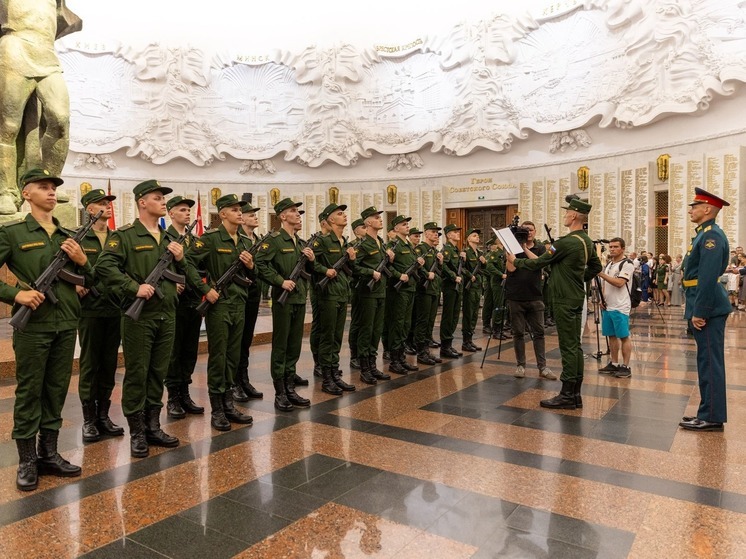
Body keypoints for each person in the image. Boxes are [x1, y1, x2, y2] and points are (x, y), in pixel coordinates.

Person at [0, 168, 91, 491]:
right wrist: (16, 294)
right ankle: (27, 460)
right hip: (34, 326)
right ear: (26, 193)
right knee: (29, 393)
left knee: (55, 390)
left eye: (54, 188)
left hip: (66, 323)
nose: (52, 192)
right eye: (44, 187)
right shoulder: (12, 233)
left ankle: (49, 453)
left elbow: (92, 279)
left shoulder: (68, 236)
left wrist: (82, 260)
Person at [96, 179, 183, 458]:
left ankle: (153, 426)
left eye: (163, 198)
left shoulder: (169, 238)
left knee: (158, 372)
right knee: (137, 373)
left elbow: (187, 270)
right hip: (139, 316)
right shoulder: (123, 236)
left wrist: (181, 258)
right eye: (157, 197)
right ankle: (137, 432)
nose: (163, 202)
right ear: (142, 202)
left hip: (167, 314)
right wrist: (134, 288)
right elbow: (104, 267)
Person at [508, 197, 602, 409]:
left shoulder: (566, 242)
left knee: (568, 347)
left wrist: (516, 261)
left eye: (567, 212)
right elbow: (595, 267)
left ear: (574, 215)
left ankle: (567, 395)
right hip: (576, 296)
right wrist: (577, 278)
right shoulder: (586, 241)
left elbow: (540, 263)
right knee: (575, 346)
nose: (565, 215)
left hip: (564, 299)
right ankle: (575, 394)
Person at [0, 1, 82, 214]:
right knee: (8, 125)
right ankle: (6, 192)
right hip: (14, 47)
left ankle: (47, 182)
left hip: (47, 53)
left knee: (60, 118)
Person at [186, 194, 254, 430]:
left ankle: (228, 404)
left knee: (233, 356)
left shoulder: (245, 242)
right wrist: (206, 289)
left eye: (240, 210)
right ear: (222, 214)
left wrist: (251, 267)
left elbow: (253, 277)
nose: (239, 213)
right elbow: (187, 263)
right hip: (220, 305)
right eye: (234, 209)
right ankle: (217, 410)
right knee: (219, 357)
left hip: (239, 303)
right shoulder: (211, 239)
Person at [679, 189, 732, 431]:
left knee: (710, 362)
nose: (691, 210)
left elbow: (708, 277)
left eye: (695, 206)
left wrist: (700, 311)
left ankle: (712, 416)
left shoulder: (712, 237)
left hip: (708, 307)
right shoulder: (703, 235)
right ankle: (706, 410)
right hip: (701, 303)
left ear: (707, 209)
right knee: (705, 361)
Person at [254, 198, 315, 411]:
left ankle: (290, 388)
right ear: (282, 216)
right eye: (292, 211)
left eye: (298, 211)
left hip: (298, 298)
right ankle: (280, 392)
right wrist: (280, 281)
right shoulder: (274, 240)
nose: (298, 214)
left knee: (294, 345)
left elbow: (309, 272)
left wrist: (311, 258)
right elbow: (260, 264)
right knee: (281, 346)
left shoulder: (300, 242)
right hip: (283, 300)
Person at [77, 187, 124, 443]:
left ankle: (103, 415)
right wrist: (76, 285)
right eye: (100, 203)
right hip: (90, 309)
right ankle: (88, 419)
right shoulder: (80, 237)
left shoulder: (118, 238)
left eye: (108, 202)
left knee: (109, 363)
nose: (107, 205)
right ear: (89, 209)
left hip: (114, 307)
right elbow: (66, 267)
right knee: (89, 363)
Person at [163, 196, 204, 419]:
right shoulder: (165, 238)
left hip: (193, 301)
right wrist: (172, 283)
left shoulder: (195, 241)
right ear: (171, 213)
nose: (187, 213)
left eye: (189, 210)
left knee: (190, 350)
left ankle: (185, 392)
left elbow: (200, 269)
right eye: (182, 210)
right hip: (174, 303)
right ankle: (173, 397)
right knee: (174, 351)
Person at [311, 203, 357, 394]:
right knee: (327, 336)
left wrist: (352, 260)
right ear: (330, 219)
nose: (344, 216)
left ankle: (335, 374)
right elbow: (310, 265)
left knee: (337, 336)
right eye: (340, 214)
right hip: (327, 294)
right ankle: (327, 378)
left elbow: (350, 272)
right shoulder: (321, 241)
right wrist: (325, 270)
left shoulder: (345, 243)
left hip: (341, 292)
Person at [505, 221, 555, 380]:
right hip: (516, 296)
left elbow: (538, 264)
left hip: (535, 296)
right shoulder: (512, 248)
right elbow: (511, 268)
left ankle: (543, 366)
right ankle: (520, 365)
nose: (528, 233)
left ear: (535, 231)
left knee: (539, 332)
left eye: (531, 230)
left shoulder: (540, 248)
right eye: (524, 230)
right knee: (518, 333)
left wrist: (525, 248)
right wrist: (514, 248)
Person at [352, 207, 394, 384]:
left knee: (376, 330)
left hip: (380, 292)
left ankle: (372, 365)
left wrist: (390, 260)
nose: (380, 220)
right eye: (376, 218)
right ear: (368, 223)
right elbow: (354, 267)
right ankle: (364, 368)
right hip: (367, 293)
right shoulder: (362, 245)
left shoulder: (381, 244)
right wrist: (370, 272)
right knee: (366, 330)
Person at [234, 202, 264, 400]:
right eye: (250, 215)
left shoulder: (260, 240)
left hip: (254, 293)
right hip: (239, 293)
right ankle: (234, 381)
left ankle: (244, 378)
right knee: (237, 340)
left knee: (247, 339)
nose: (255, 217)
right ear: (242, 219)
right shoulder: (238, 239)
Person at [386, 215, 423, 374]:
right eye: (403, 224)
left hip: (410, 288)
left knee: (406, 324)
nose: (407, 226)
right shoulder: (393, 245)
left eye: (407, 224)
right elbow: (386, 267)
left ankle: (401, 358)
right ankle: (394, 360)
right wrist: (398, 275)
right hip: (399, 290)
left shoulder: (408, 244)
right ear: (395, 229)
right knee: (398, 323)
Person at [596, 238, 635, 378]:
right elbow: (605, 285)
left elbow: (619, 282)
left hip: (620, 306)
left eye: (615, 247)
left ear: (622, 248)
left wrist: (602, 274)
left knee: (623, 336)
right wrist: (602, 299)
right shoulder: (609, 264)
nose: (612, 249)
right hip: (608, 305)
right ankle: (614, 363)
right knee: (611, 336)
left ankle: (626, 366)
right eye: (610, 247)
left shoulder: (627, 264)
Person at [413, 222, 443, 365]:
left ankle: (426, 349)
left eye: (436, 232)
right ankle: (420, 352)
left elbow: (439, 272)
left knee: (430, 321)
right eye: (432, 231)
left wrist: (441, 263)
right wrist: (426, 273)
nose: (435, 234)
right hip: (424, 290)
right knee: (423, 321)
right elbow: (417, 266)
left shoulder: (433, 250)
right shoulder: (420, 249)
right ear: (426, 233)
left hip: (434, 289)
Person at [440, 224, 464, 358]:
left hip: (457, 285)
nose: (457, 234)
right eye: (455, 232)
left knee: (455, 315)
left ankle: (449, 343)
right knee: (448, 316)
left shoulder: (456, 249)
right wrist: (453, 276)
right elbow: (443, 266)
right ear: (449, 235)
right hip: (450, 285)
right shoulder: (447, 250)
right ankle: (445, 346)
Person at [461, 228, 486, 352]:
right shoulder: (465, 252)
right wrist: (470, 275)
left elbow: (484, 269)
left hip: (477, 287)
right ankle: (465, 341)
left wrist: (484, 262)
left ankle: (470, 340)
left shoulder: (479, 253)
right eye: (474, 235)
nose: (477, 237)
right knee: (468, 313)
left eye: (478, 235)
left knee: (475, 314)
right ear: (468, 238)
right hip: (469, 287)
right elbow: (461, 268)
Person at [347, 218, 366, 371]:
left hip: (368, 288)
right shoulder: (354, 245)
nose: (365, 228)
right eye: (362, 226)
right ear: (356, 231)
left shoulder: (371, 243)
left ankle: (363, 353)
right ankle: (355, 355)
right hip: (358, 286)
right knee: (357, 321)